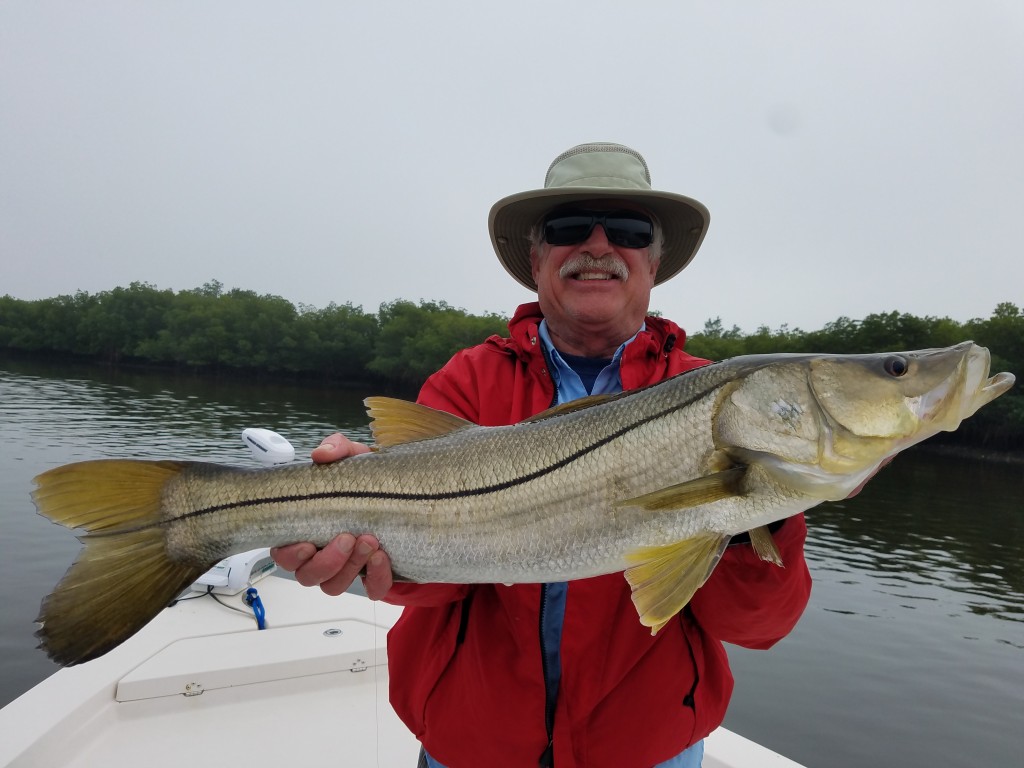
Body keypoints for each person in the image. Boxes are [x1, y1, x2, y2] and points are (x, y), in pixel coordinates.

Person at [271, 142, 812, 768]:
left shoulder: (725, 404)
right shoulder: (467, 380)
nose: (600, 245)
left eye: (631, 231)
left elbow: (758, 627)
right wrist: (367, 551)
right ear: (535, 257)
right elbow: (433, 588)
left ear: (655, 263)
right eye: (568, 227)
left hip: (647, 751)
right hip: (471, 745)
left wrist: (750, 514)